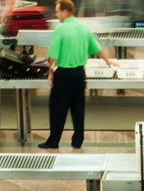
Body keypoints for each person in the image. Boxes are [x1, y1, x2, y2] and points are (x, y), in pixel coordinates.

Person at [39, 0, 117, 150]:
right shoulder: (84, 27)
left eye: (57, 12)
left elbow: (53, 54)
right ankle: (77, 141)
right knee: (78, 108)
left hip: (63, 74)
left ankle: (53, 141)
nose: (56, 15)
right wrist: (108, 60)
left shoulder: (60, 30)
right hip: (80, 73)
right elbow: (96, 47)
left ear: (65, 12)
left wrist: (50, 73)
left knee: (57, 108)